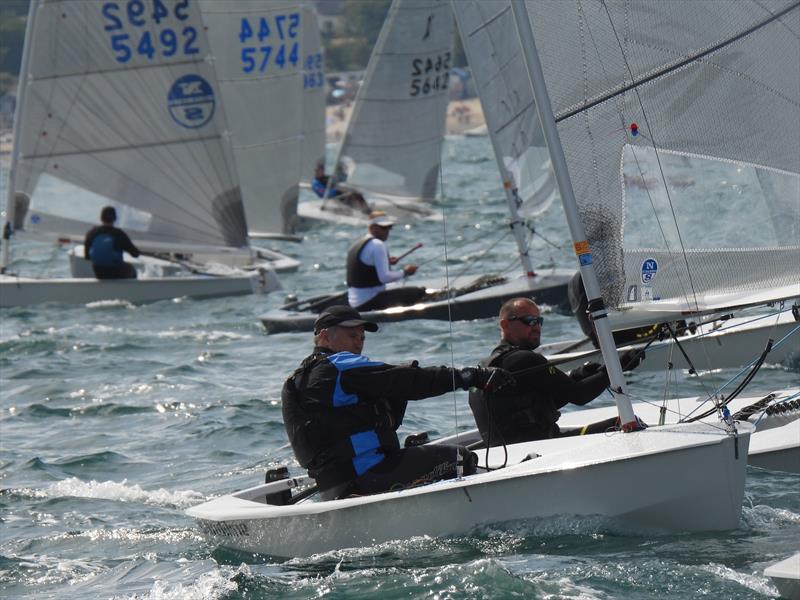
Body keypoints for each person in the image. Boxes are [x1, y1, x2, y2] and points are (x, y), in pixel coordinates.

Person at [282, 305, 513, 500]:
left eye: (362, 337)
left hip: (334, 486)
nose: (359, 343)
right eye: (352, 336)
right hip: (367, 476)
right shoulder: (340, 365)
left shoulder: (298, 378)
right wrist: (469, 376)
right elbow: (409, 381)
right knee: (460, 459)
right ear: (324, 336)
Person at [469, 297, 644, 447]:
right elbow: (579, 395)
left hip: (513, 455)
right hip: (544, 450)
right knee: (626, 422)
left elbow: (542, 402)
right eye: (529, 321)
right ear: (505, 325)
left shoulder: (484, 368)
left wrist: (578, 375)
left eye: (539, 321)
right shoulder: (524, 359)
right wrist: (617, 367)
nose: (537, 326)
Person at [346, 211, 426, 311]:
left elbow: (363, 267)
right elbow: (384, 278)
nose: (387, 231)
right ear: (372, 227)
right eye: (384, 228)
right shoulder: (378, 245)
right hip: (369, 302)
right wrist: (405, 272)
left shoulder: (358, 244)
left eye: (389, 227)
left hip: (355, 303)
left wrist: (386, 261)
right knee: (418, 292)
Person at [83, 206, 141, 280]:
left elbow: (87, 256)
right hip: (116, 271)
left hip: (99, 272)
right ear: (115, 219)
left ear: (101, 218)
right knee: (131, 269)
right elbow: (135, 254)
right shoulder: (119, 234)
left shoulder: (92, 233)